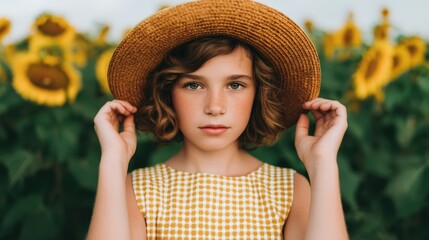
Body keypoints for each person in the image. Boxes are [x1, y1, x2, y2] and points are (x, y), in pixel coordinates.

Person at [87, 0, 349, 239]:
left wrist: (323, 163)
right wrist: (113, 160)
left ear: (259, 93)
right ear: (167, 94)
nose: (215, 107)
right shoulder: (140, 190)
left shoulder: (288, 190)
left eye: (235, 85)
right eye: (193, 86)